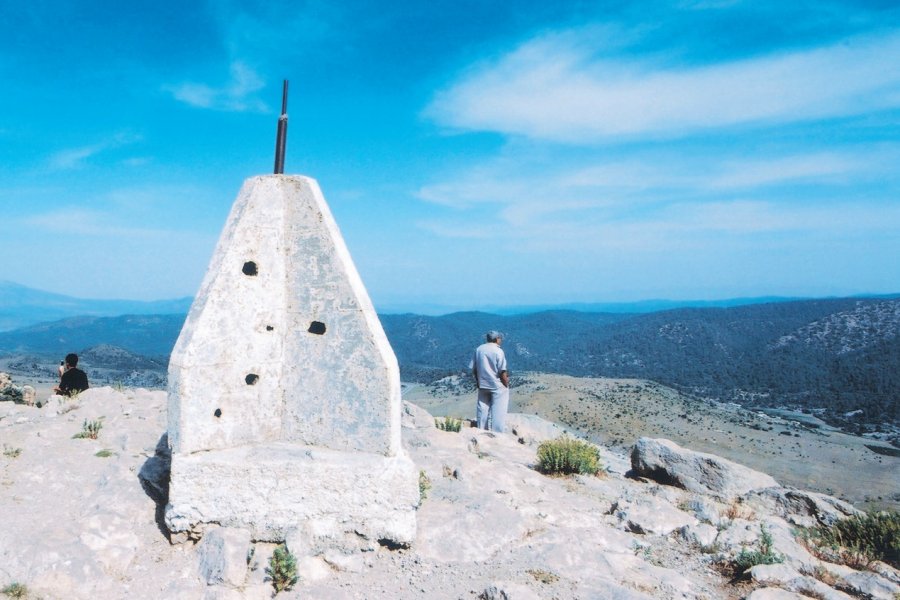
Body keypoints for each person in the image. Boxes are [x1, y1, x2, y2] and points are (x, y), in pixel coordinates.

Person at [471, 330, 509, 432]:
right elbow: (502, 371)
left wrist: (478, 382)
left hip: (483, 384)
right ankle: (498, 433)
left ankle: (481, 430)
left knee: (482, 408)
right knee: (499, 410)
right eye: (500, 338)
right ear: (497, 339)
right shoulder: (498, 351)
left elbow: (474, 369)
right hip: (496, 385)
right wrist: (506, 384)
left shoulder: (479, 349)